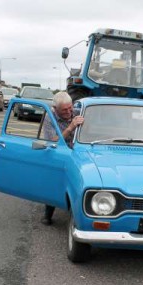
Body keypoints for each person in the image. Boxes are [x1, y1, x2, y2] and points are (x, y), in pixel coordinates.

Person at [40, 91, 84, 225]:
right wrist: (71, 127)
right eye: (65, 110)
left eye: (70, 108)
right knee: (53, 181)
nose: (69, 111)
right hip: (59, 152)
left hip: (78, 152)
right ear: (55, 109)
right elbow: (52, 142)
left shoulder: (78, 111)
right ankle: (48, 213)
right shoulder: (49, 118)